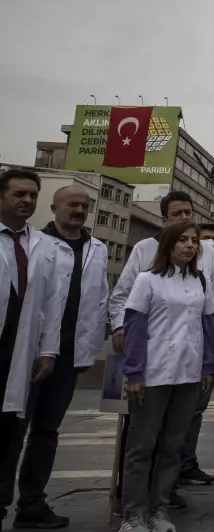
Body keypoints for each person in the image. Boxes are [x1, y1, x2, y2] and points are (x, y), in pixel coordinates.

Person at [0, 185, 106, 528]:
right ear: (54, 207)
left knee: (47, 431)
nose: (79, 210)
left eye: (85, 205)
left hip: (70, 356)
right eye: (72, 204)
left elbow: (99, 300)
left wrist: (90, 347)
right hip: (30, 355)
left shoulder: (98, 249)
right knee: (13, 430)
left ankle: (32, 503)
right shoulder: (37, 246)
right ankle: (1, 500)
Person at [109, 190, 214, 497]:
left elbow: (211, 312)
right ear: (164, 221)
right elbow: (125, 302)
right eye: (178, 215)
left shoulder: (206, 261)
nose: (186, 224)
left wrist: (209, 361)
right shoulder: (145, 259)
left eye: (189, 214)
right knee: (142, 440)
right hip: (152, 365)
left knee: (176, 439)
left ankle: (163, 496)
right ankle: (131, 502)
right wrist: (121, 333)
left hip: (189, 367)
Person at [0, 171, 72, 529]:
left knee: (11, 434)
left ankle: (4, 507)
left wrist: (48, 351)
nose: (27, 200)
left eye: (32, 195)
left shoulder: (43, 247)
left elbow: (50, 305)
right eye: (19, 194)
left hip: (22, 355)